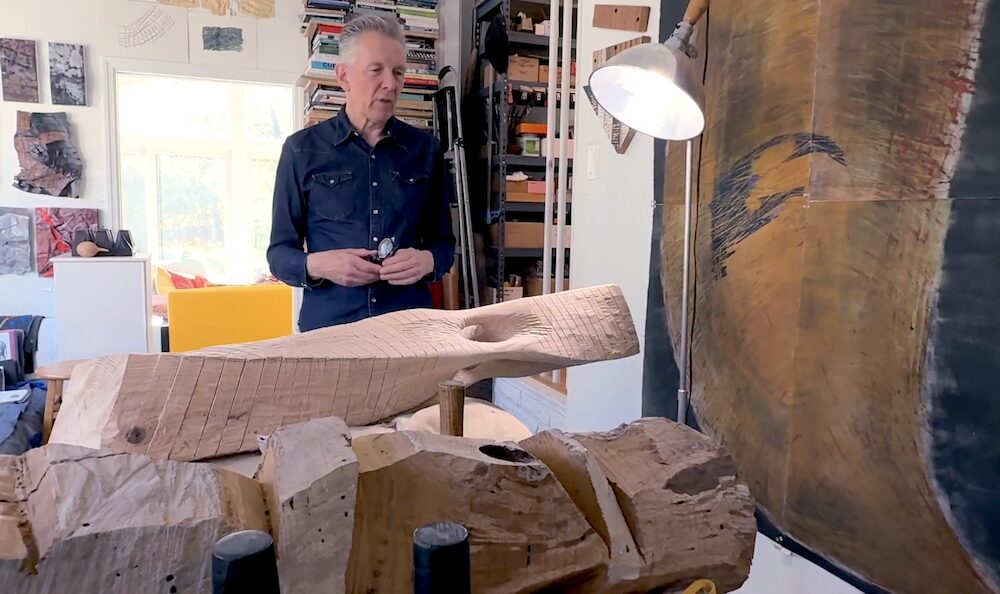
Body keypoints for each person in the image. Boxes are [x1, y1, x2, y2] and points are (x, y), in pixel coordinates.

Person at [268, 14, 456, 332]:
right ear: (344, 76)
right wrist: (320, 264)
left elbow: (444, 245)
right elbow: (279, 255)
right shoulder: (301, 150)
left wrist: (429, 262)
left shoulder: (426, 150)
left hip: (409, 331)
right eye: (376, 70)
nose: (390, 84)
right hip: (329, 334)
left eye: (398, 72)